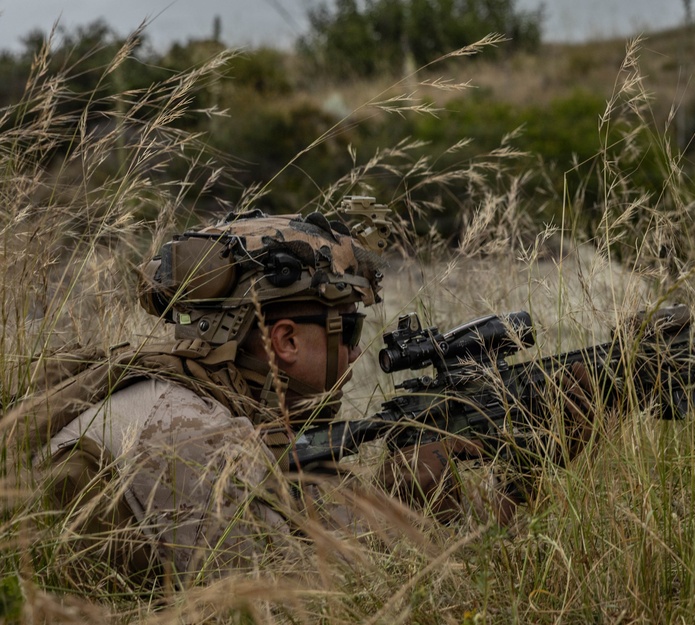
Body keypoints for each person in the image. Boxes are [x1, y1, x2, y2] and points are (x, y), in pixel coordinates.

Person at [3, 204, 592, 590]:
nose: (359, 354)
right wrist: (416, 502)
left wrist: (503, 475)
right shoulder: (190, 438)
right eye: (349, 330)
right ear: (284, 339)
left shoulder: (194, 404)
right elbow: (340, 603)